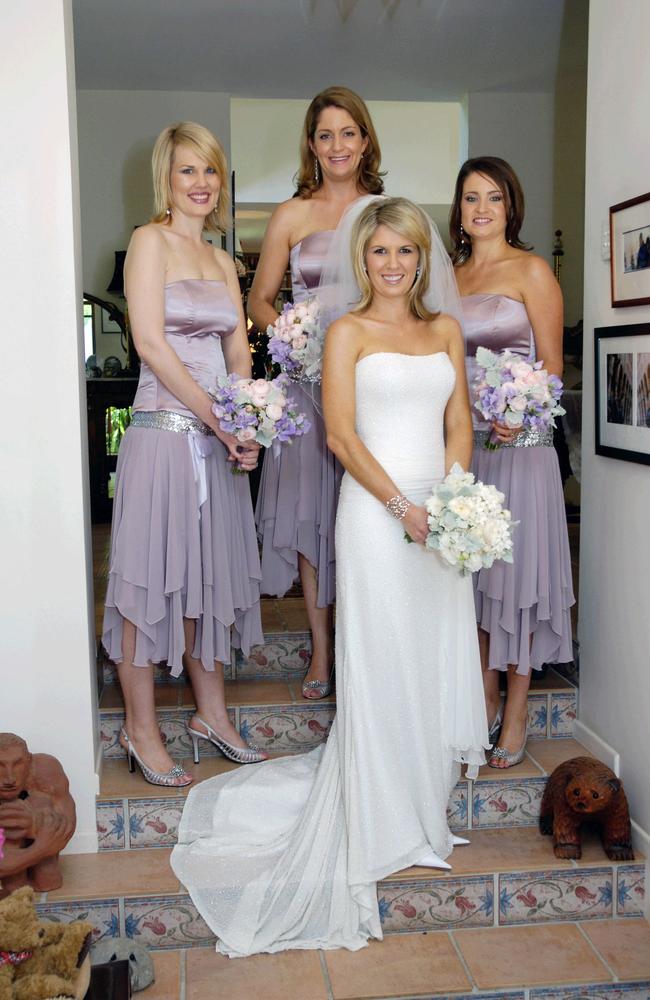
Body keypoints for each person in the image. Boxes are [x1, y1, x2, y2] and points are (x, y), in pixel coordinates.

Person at [171, 196, 488, 956]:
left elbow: (462, 425)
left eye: (405, 252)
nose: (392, 265)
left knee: (428, 654)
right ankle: (379, 814)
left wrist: (452, 503)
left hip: (438, 516)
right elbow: (342, 436)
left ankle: (422, 808)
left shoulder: (445, 329)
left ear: (421, 259)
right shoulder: (344, 331)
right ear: (362, 260)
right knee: (380, 656)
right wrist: (404, 510)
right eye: (379, 253)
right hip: (377, 513)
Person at [102, 122, 267, 787]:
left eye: (210, 172)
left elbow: (238, 354)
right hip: (163, 438)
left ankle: (212, 716)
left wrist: (248, 423)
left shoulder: (225, 261)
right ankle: (141, 729)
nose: (201, 184)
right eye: (186, 172)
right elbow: (151, 344)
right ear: (166, 181)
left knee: (210, 582)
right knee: (148, 580)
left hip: (217, 443)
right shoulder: (149, 242)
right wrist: (216, 418)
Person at [248, 86, 384, 699]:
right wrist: (289, 333)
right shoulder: (290, 214)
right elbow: (258, 298)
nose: (337, 145)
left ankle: (366, 649)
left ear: (365, 140)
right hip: (304, 391)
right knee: (311, 520)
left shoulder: (386, 210)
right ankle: (322, 654)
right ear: (311, 144)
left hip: (369, 390)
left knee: (365, 519)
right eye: (325, 134)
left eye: (348, 132)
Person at [450, 156, 575, 768]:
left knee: (518, 581)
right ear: (459, 209)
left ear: (510, 206)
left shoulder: (531, 271)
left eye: (493, 198)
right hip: (467, 451)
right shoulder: (447, 278)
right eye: (471, 197)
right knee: (475, 581)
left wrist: (521, 414)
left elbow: (551, 364)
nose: (481, 209)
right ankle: (483, 694)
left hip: (522, 451)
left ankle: (518, 706)